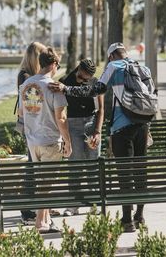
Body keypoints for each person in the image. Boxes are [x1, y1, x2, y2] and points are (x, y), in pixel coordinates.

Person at [48, 42, 151, 233]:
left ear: (111, 56)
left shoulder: (113, 66)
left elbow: (94, 90)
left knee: (125, 173)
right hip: (143, 127)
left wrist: (67, 89)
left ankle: (127, 220)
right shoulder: (142, 67)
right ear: (125, 53)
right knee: (140, 170)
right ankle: (140, 215)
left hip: (123, 127)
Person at [19, 47, 72, 233]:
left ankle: (47, 221)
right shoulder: (54, 87)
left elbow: (20, 112)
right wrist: (68, 141)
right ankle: (41, 223)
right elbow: (62, 118)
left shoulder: (25, 85)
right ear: (54, 64)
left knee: (43, 181)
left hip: (32, 141)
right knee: (47, 184)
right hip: (50, 140)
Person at [59, 58, 104, 216]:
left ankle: (94, 203)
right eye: (84, 77)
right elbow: (61, 111)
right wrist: (64, 136)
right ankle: (73, 204)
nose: (86, 81)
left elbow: (101, 110)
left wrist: (97, 132)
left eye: (88, 78)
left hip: (91, 124)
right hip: (73, 125)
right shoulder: (65, 81)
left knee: (93, 165)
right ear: (78, 70)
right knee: (75, 166)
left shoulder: (95, 83)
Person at [15, 41, 46, 225]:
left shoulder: (29, 75)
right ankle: (26, 210)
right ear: (36, 56)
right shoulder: (25, 76)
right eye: (42, 54)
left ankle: (37, 208)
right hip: (31, 128)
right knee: (31, 167)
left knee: (34, 166)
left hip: (36, 126)